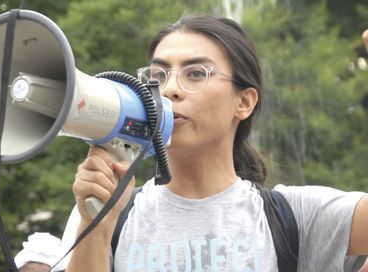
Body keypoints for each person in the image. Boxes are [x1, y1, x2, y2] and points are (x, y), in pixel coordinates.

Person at [18, 15, 368, 272]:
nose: (169, 89)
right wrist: (97, 227)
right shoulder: (109, 214)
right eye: (157, 76)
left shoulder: (295, 217)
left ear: (244, 102)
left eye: (196, 73)